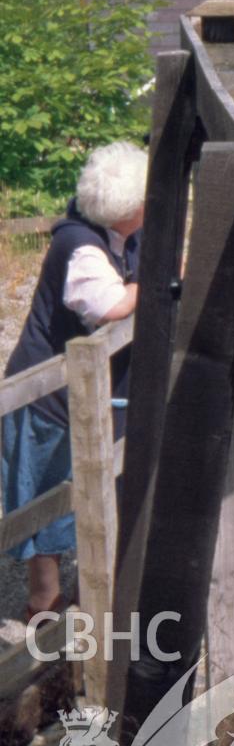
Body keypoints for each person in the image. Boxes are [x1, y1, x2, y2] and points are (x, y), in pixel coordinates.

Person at [3, 143, 145, 621]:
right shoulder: (81, 245)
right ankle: (42, 604)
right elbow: (108, 307)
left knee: (78, 488)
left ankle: (87, 588)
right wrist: (143, 287)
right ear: (127, 209)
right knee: (46, 496)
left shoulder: (118, 234)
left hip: (79, 391)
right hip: (48, 396)